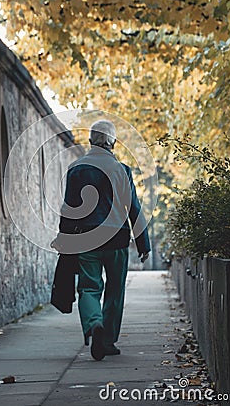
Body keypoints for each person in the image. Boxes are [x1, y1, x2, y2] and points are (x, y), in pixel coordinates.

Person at [51, 119, 151, 361]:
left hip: (86, 239)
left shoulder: (76, 169)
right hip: (116, 239)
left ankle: (94, 324)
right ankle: (107, 341)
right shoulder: (122, 171)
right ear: (113, 143)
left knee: (88, 287)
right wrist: (143, 244)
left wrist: (63, 238)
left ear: (90, 141)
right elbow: (133, 209)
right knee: (115, 290)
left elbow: (69, 208)